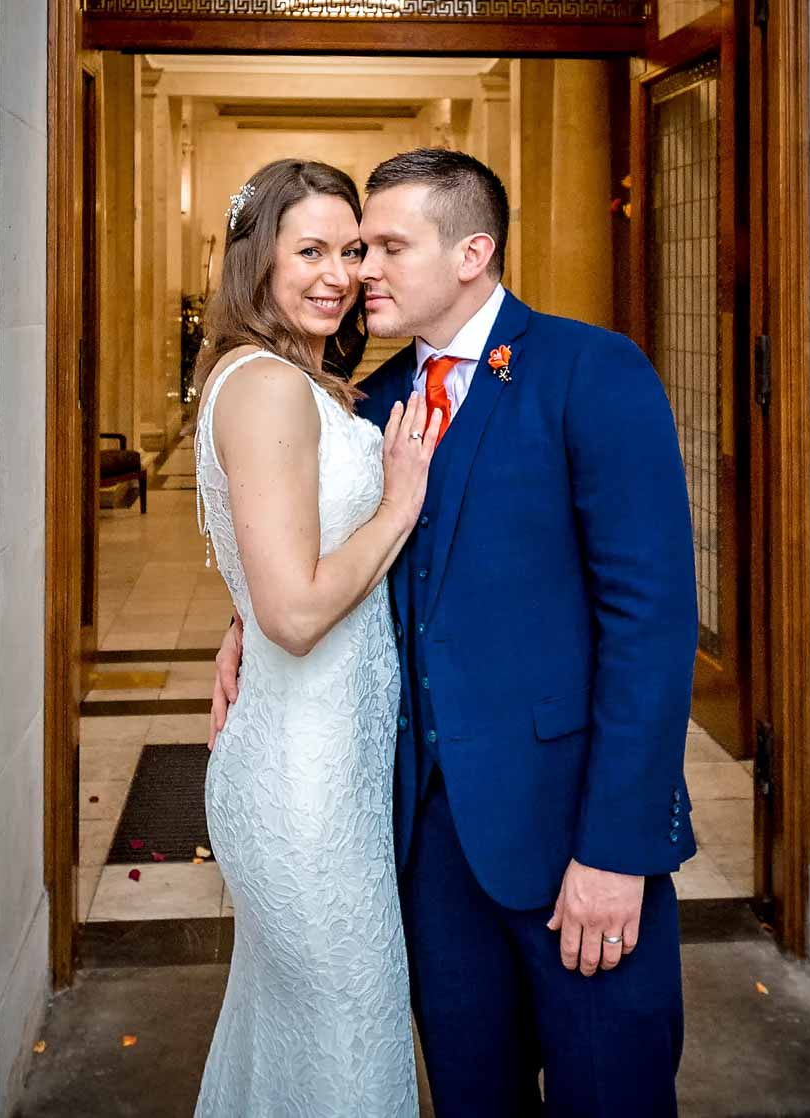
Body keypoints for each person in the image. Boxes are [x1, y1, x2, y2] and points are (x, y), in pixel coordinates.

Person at [212, 147, 700, 1116]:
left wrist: (618, 848)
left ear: (473, 251)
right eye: (357, 248)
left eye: (386, 246)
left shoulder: (591, 372)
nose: (361, 273)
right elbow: (308, 552)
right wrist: (242, 622)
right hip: (422, 850)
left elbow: (651, 624)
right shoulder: (374, 402)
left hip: (572, 842)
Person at [190, 159, 439, 1117]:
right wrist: (400, 504)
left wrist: (240, 617)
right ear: (258, 260)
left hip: (329, 769)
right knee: (343, 1036)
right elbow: (292, 615)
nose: (339, 273)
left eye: (355, 249)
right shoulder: (267, 386)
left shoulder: (300, 378)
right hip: (302, 785)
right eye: (311, 250)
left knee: (309, 1040)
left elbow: (277, 571)